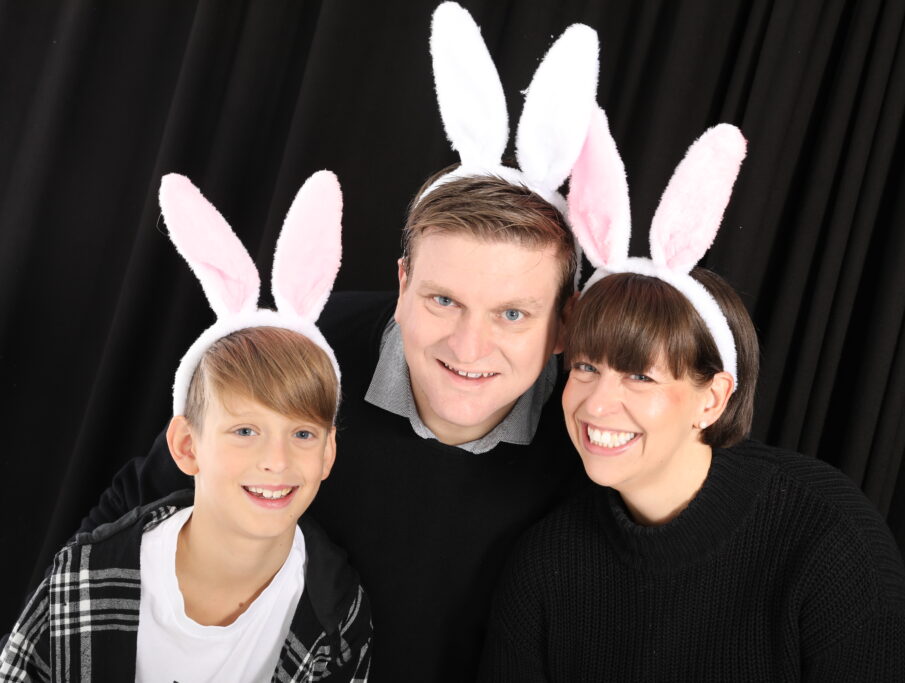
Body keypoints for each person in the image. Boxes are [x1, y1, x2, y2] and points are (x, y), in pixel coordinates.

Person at [61, 4, 599, 681]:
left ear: (565, 323)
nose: (471, 345)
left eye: (514, 314)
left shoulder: (591, 440)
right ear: (402, 284)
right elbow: (128, 519)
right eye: (442, 300)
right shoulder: (304, 355)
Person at [478, 112, 905, 680]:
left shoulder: (825, 538)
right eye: (586, 367)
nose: (595, 404)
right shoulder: (546, 565)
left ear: (712, 399)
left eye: (641, 376)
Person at [1, 172, 371, 681]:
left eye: (302, 434)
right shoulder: (83, 577)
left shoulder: (338, 616)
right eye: (245, 430)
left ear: (328, 453)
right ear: (186, 445)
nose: (276, 460)